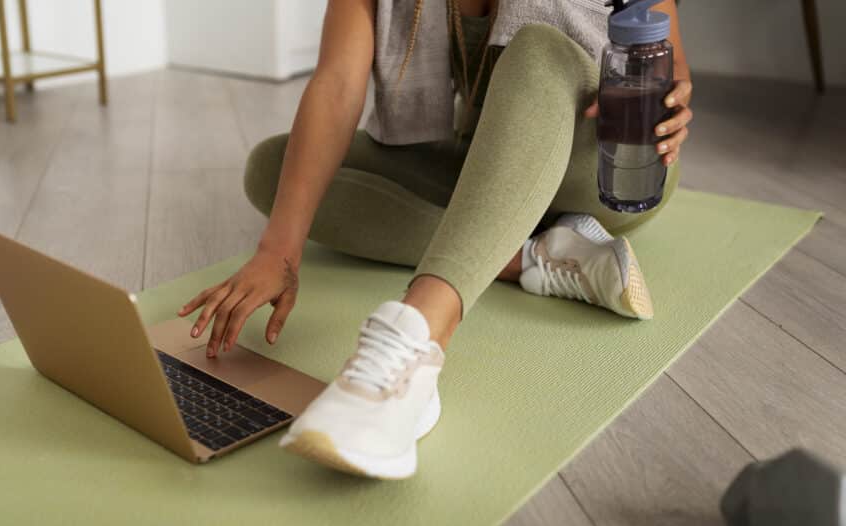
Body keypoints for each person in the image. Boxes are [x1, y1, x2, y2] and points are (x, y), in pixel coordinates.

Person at [178, 0, 693, 479]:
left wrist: (674, 96)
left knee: (540, 48)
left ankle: (419, 338)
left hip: (608, 169)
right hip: (483, 158)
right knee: (274, 170)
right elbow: (336, 84)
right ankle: (532, 255)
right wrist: (279, 252)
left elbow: (669, 67)